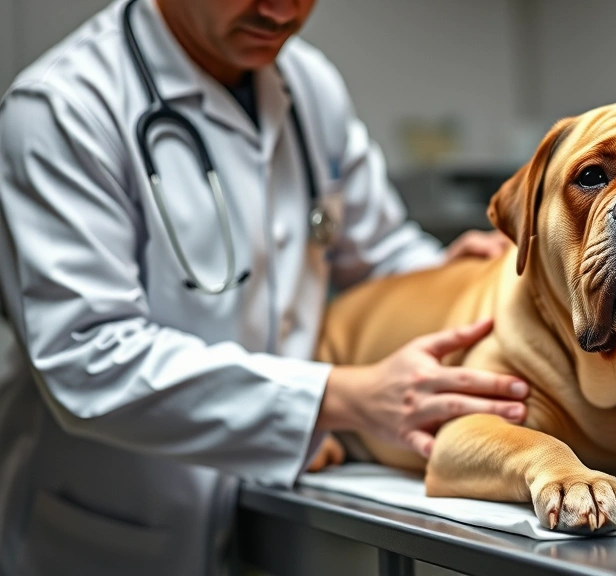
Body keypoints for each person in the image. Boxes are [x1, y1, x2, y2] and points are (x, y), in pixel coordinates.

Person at [0, 0, 527, 574]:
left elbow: (377, 254)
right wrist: (339, 397)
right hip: (111, 530)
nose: (282, 10)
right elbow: (87, 358)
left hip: (268, 513)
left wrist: (444, 275)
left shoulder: (307, 84)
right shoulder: (63, 108)